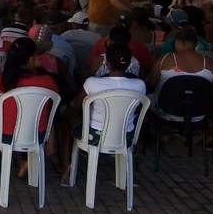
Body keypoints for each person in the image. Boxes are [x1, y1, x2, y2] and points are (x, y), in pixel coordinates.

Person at [60, 44, 147, 184]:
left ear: (107, 63)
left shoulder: (93, 83)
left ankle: (68, 164)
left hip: (94, 136)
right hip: (126, 136)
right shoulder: (140, 85)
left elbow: (78, 105)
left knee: (68, 117)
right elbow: (137, 110)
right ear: (129, 63)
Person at [147, 27, 213, 120]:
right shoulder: (209, 63)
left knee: (147, 98)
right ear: (195, 44)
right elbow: (212, 87)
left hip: (166, 111)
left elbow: (152, 81)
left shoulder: (165, 59)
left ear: (177, 42)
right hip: (198, 114)